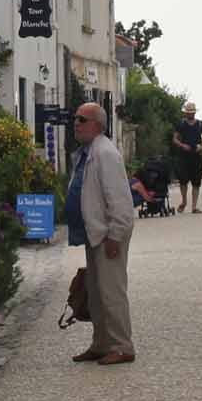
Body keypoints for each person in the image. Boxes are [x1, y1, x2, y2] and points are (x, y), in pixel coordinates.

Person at [66, 101, 136, 366]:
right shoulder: (87, 151)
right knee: (96, 292)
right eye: (75, 118)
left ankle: (122, 346)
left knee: (111, 291)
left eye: (81, 119)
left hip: (108, 234)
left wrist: (115, 235)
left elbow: (119, 200)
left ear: (96, 124)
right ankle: (102, 343)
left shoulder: (105, 153)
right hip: (94, 232)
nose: (75, 123)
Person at [170, 102, 202, 214]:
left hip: (197, 156)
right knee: (183, 181)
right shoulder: (181, 124)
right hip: (184, 156)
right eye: (188, 112)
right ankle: (184, 201)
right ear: (185, 113)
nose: (190, 114)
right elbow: (175, 139)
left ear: (195, 112)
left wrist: (201, 147)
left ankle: (194, 207)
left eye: (192, 112)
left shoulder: (201, 124)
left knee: (196, 182)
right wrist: (183, 145)